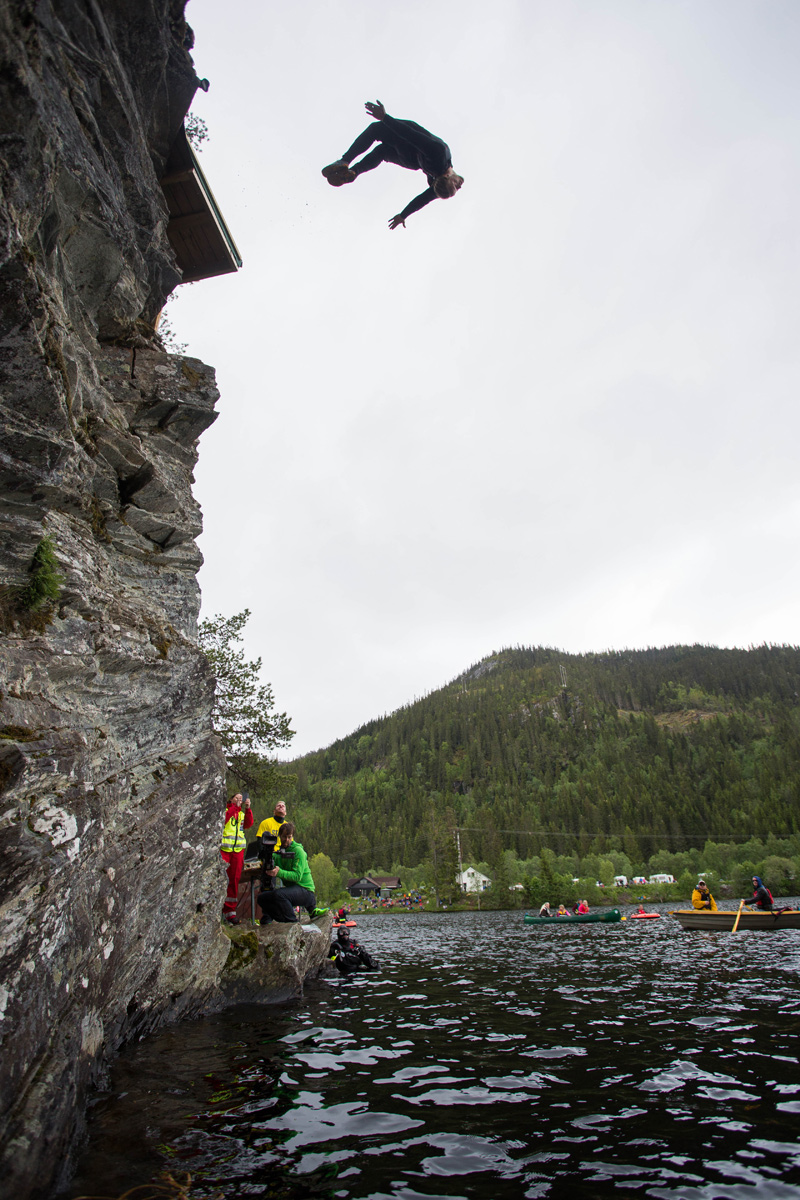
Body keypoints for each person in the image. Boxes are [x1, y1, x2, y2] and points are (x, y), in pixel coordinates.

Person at [322, 100, 464, 229]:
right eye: (457, 187)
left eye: (456, 186)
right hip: (411, 160)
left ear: (447, 177)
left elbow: (411, 136)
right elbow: (424, 199)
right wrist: (403, 215)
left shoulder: (439, 155)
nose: (459, 187)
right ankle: (354, 171)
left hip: (408, 147)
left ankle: (345, 161)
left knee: (376, 130)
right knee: (382, 152)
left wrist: (385, 118)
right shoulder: (439, 180)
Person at [257, 822, 317, 924]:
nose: (287, 840)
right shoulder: (278, 854)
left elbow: (297, 876)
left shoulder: (298, 851)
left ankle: (292, 922)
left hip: (305, 889)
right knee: (262, 898)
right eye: (284, 837)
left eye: (289, 837)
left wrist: (279, 872)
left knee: (279, 895)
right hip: (292, 890)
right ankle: (281, 920)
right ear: (280, 836)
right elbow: (271, 861)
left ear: (292, 837)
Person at [220, 793, 253, 925]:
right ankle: (219, 908)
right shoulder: (226, 810)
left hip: (237, 851)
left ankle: (230, 912)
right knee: (223, 878)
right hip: (225, 850)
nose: (239, 799)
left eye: (241, 798)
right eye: (236, 798)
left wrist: (247, 808)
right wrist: (235, 807)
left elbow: (248, 824)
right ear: (231, 799)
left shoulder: (241, 814)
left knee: (234, 880)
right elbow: (225, 819)